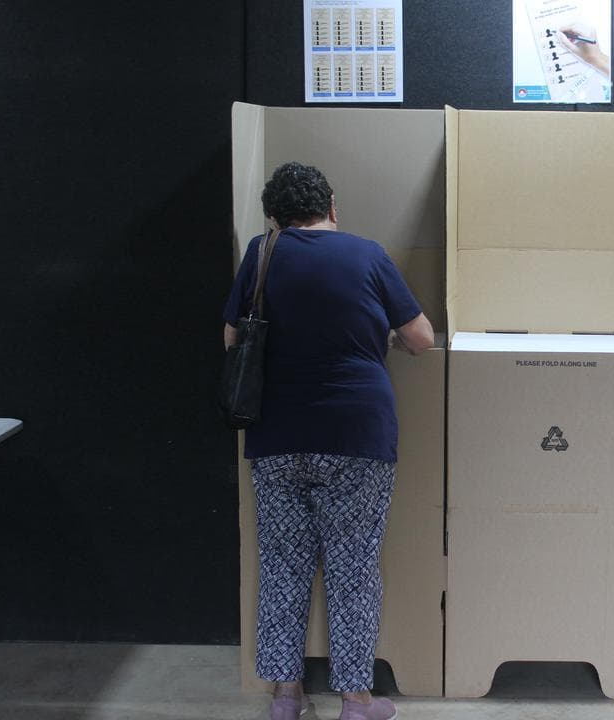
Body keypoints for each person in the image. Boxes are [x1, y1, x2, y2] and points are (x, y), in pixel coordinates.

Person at [223, 162, 433, 720]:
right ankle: (357, 702)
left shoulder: (260, 255)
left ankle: (286, 698)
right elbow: (421, 337)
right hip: (356, 435)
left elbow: (230, 339)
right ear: (332, 206)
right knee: (353, 568)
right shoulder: (367, 254)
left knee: (283, 564)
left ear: (276, 216)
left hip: (277, 435)